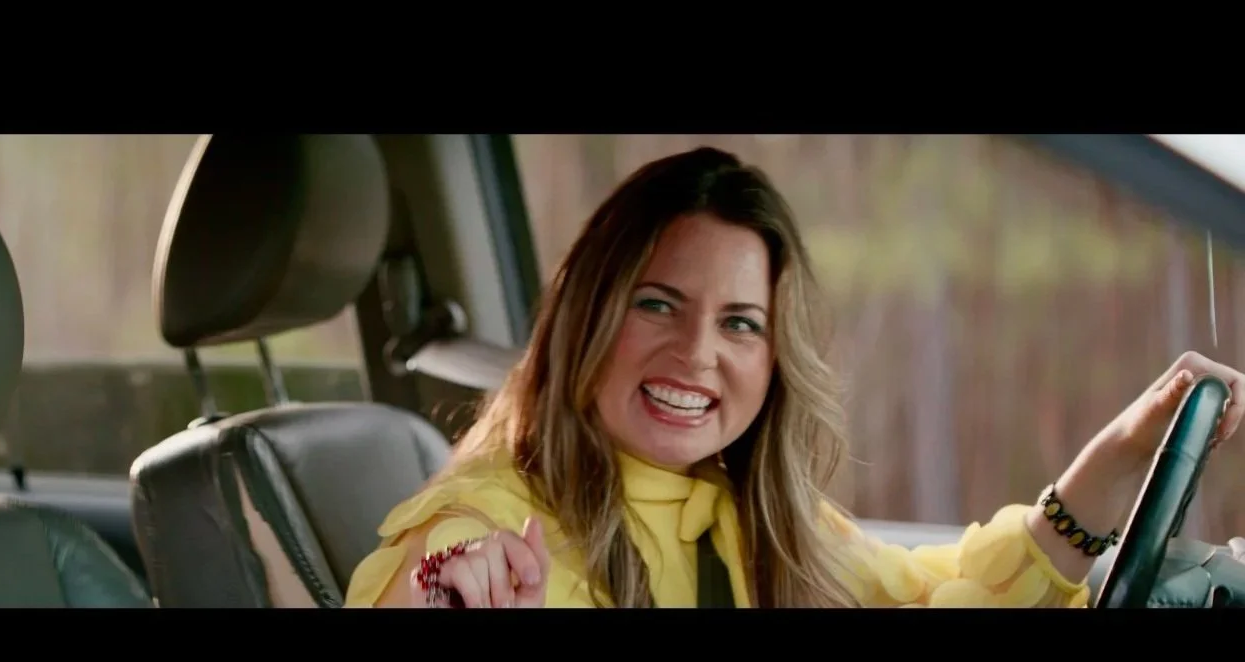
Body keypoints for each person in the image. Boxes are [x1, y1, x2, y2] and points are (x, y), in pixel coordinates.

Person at [344, 146, 1245, 609]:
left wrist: (1127, 448)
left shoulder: (744, 513)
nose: (698, 354)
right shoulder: (490, 522)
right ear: (587, 314)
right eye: (657, 304)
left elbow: (936, 594)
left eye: (740, 323)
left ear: (774, 359)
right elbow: (437, 579)